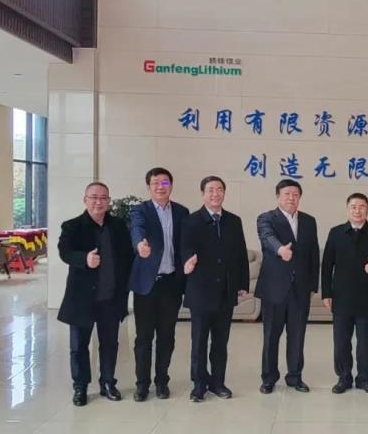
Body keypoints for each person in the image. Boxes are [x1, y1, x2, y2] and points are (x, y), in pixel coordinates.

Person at [57, 182, 133, 406]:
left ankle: (107, 382)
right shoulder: (72, 226)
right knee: (78, 346)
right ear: (85, 200)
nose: (98, 202)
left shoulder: (118, 226)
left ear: (109, 201)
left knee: (110, 344)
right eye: (94, 197)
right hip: (82, 298)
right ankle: (80, 386)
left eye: (103, 198)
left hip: (110, 297)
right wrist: (84, 259)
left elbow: (127, 256)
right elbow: (64, 252)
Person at [181, 176, 249, 402]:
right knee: (199, 342)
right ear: (203, 194)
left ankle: (218, 383)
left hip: (225, 292)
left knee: (221, 342)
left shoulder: (233, 221)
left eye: (220, 190)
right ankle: (199, 385)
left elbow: (240, 253)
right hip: (201, 291)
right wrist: (188, 262)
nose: (215, 194)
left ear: (224, 194)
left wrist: (242, 283)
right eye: (210, 190)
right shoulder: (191, 221)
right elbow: (185, 247)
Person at [128, 167, 189, 401]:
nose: (160, 187)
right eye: (155, 183)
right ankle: (142, 384)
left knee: (167, 336)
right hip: (147, 284)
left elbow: (185, 243)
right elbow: (137, 230)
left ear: (171, 186)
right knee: (144, 337)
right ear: (149, 187)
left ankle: (162, 381)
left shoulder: (182, 212)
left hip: (171, 283)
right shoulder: (140, 210)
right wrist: (140, 245)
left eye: (165, 183)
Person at [255, 180, 319, 394]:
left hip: (300, 289)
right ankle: (268, 377)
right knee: (271, 336)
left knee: (297, 335)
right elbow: (267, 238)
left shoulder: (309, 221)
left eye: (295, 194)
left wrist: (313, 285)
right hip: (274, 288)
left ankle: (295, 376)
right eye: (286, 193)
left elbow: (313, 254)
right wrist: (280, 249)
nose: (291, 197)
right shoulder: (266, 218)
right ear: (278, 196)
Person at [321, 193, 368, 395]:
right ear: (347, 209)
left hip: (367, 297)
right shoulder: (336, 233)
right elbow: (327, 264)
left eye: (362, 206)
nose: (358, 210)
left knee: (366, 342)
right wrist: (326, 293)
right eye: (354, 206)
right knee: (341, 342)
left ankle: (365, 379)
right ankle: (344, 377)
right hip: (341, 296)